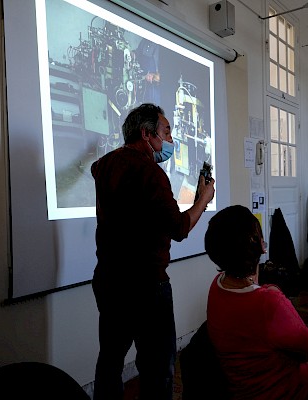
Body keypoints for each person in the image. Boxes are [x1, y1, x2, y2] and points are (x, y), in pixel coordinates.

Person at [90, 103, 215, 400]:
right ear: (147, 135)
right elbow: (180, 228)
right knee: (158, 367)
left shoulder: (105, 165)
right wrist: (203, 200)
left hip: (109, 280)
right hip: (146, 284)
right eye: (167, 132)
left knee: (109, 360)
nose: (170, 140)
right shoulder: (151, 173)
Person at [205, 205, 308, 400]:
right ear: (260, 247)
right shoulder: (268, 302)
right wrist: (277, 297)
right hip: (295, 391)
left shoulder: (217, 286)